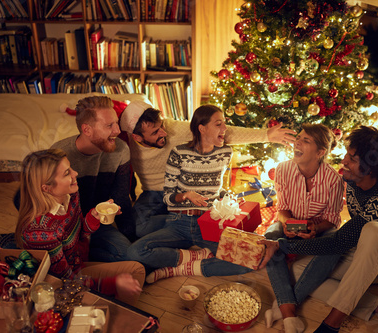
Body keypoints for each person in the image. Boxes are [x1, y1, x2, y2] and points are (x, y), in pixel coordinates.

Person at [258, 126, 378, 333]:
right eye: (347, 155)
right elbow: (345, 238)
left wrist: (281, 245)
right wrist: (290, 234)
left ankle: (331, 324)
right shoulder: (353, 181)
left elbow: (340, 240)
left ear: (370, 168)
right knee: (301, 271)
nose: (344, 161)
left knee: (373, 230)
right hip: (366, 254)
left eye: (352, 158)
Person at [126, 105, 266, 283]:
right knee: (134, 251)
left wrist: (228, 198)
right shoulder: (179, 153)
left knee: (255, 257)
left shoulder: (225, 153)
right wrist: (185, 195)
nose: (224, 129)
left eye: (224, 124)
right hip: (179, 222)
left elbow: (217, 188)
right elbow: (167, 196)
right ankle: (191, 256)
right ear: (202, 128)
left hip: (209, 223)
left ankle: (179, 269)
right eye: (218, 124)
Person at [119, 100, 296, 237]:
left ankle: (184, 224)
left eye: (161, 126)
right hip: (153, 193)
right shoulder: (126, 144)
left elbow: (222, 132)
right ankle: (184, 223)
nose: (163, 133)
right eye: (155, 132)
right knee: (137, 228)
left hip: (186, 191)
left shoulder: (173, 129)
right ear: (137, 137)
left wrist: (266, 135)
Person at [14, 149, 145, 305]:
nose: (75, 174)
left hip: (78, 263)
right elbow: (65, 282)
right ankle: (115, 314)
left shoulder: (70, 195)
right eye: (67, 173)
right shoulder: (41, 232)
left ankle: (112, 309)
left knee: (135, 270)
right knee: (133, 274)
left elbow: (80, 232)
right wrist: (113, 283)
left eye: (71, 168)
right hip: (61, 288)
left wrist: (94, 216)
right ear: (46, 188)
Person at [263, 123, 345, 332]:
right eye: (298, 137)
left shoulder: (334, 180)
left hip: (319, 229)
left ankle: (282, 308)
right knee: (270, 236)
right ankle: (290, 314)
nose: (297, 142)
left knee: (336, 243)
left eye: (305, 140)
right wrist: (287, 224)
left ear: (320, 152)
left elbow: (332, 218)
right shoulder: (282, 169)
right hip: (291, 223)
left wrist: (315, 229)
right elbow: (282, 208)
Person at [51, 96, 135, 262]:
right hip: (66, 227)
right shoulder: (58, 155)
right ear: (87, 130)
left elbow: (121, 198)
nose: (117, 131)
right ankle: (74, 256)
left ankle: (79, 257)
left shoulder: (121, 150)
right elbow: (32, 198)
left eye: (116, 123)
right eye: (109, 125)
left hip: (98, 222)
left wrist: (132, 239)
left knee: (129, 255)